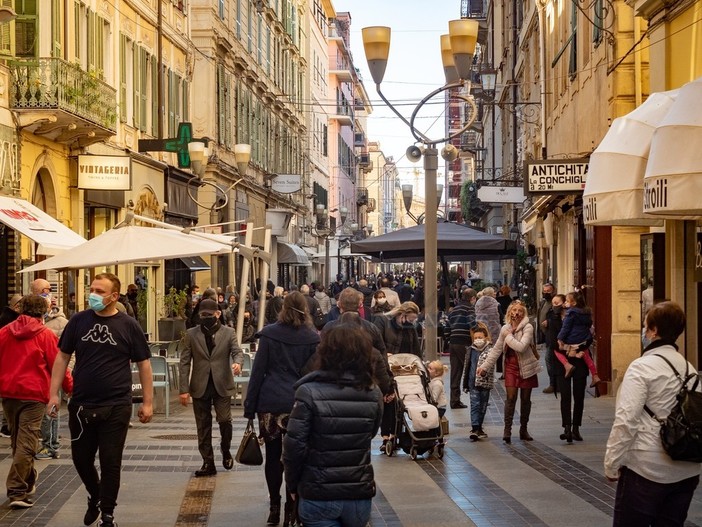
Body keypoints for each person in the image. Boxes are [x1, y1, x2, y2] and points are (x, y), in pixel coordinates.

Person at [48, 273, 153, 527]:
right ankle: (95, 494)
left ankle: (107, 514)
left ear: (114, 296)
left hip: (117, 404)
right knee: (81, 459)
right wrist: (53, 393)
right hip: (81, 402)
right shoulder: (78, 321)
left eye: (99, 291)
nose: (92, 294)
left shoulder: (128, 325)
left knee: (110, 461)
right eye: (91, 288)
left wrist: (148, 402)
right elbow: (62, 357)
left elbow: (144, 364)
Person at [605, 301, 700, 527]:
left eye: (645, 326)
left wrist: (612, 462)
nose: (643, 332)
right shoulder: (691, 369)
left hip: (646, 467)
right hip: (687, 469)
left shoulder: (642, 367)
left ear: (654, 330)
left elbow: (626, 420)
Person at [283, 323, 382, 527]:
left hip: (318, 492)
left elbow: (294, 446)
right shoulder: (373, 393)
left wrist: (293, 484)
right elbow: (369, 434)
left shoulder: (308, 392)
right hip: (358, 493)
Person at [244, 292, 320, 526]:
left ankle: (274, 507)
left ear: (282, 308)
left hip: (271, 403)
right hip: (299, 403)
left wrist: (250, 407)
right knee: (296, 457)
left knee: (273, 457)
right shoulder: (312, 338)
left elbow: (258, 372)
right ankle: (291, 507)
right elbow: (315, 374)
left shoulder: (269, 335)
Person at [0, 295, 73, 508]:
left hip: (9, 394)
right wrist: (71, 388)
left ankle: (29, 478)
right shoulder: (45, 335)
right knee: (26, 442)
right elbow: (58, 364)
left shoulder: (4, 332)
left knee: (18, 441)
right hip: (34, 395)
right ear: (44, 311)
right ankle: (16, 491)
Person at [179, 299, 243, 477]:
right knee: (203, 425)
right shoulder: (191, 334)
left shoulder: (228, 332)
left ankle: (226, 449)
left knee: (224, 420)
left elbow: (237, 352)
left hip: (222, 383)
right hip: (200, 385)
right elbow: (184, 362)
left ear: (218, 314)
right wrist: (183, 389)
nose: (205, 318)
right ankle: (208, 462)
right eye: (202, 315)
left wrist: (237, 363)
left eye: (209, 315)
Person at [477, 301, 539, 443]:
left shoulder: (528, 327)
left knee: (525, 399)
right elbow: (497, 349)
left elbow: (522, 347)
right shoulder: (505, 328)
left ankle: (523, 429)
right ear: (509, 312)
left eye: (520, 311)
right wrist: (485, 367)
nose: (517, 313)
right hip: (511, 366)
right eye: (514, 310)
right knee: (510, 399)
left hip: (526, 367)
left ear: (523, 313)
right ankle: (507, 430)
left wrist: (508, 336)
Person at [36, 298, 70, 461]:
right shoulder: (40, 326)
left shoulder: (61, 323)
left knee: (51, 412)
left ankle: (51, 445)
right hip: (39, 378)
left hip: (52, 376)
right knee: (45, 414)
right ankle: (46, 444)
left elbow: (65, 354)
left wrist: (66, 374)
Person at [556, 291, 602, 387]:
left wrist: (560, 339)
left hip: (573, 340)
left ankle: (568, 364)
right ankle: (595, 375)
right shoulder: (586, 313)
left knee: (556, 350)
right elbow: (589, 324)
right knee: (587, 357)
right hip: (585, 339)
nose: (565, 303)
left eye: (567, 301)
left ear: (574, 303)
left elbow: (566, 328)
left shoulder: (570, 313)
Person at [447, 288, 478, 409]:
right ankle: (476, 398)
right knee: (470, 370)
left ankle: (454, 401)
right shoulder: (469, 308)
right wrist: (478, 329)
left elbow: (447, 326)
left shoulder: (455, 309)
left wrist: (449, 338)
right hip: (464, 343)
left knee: (455, 372)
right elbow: (472, 323)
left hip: (453, 343)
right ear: (472, 298)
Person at [466, 323, 494, 441]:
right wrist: (465, 382)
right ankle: (475, 427)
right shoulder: (470, 350)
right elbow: (467, 367)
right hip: (473, 383)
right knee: (475, 405)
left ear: (486, 337)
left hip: (484, 383)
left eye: (480, 337)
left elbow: (491, 366)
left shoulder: (490, 350)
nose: (477, 340)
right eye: (476, 338)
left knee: (482, 406)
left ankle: (479, 427)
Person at [542, 294, 566, 394]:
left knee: (559, 363)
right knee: (550, 361)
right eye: (553, 303)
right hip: (551, 341)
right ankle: (553, 384)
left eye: (557, 303)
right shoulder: (551, 313)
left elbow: (561, 327)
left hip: (561, 342)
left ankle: (559, 384)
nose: (554, 305)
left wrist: (551, 322)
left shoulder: (565, 314)